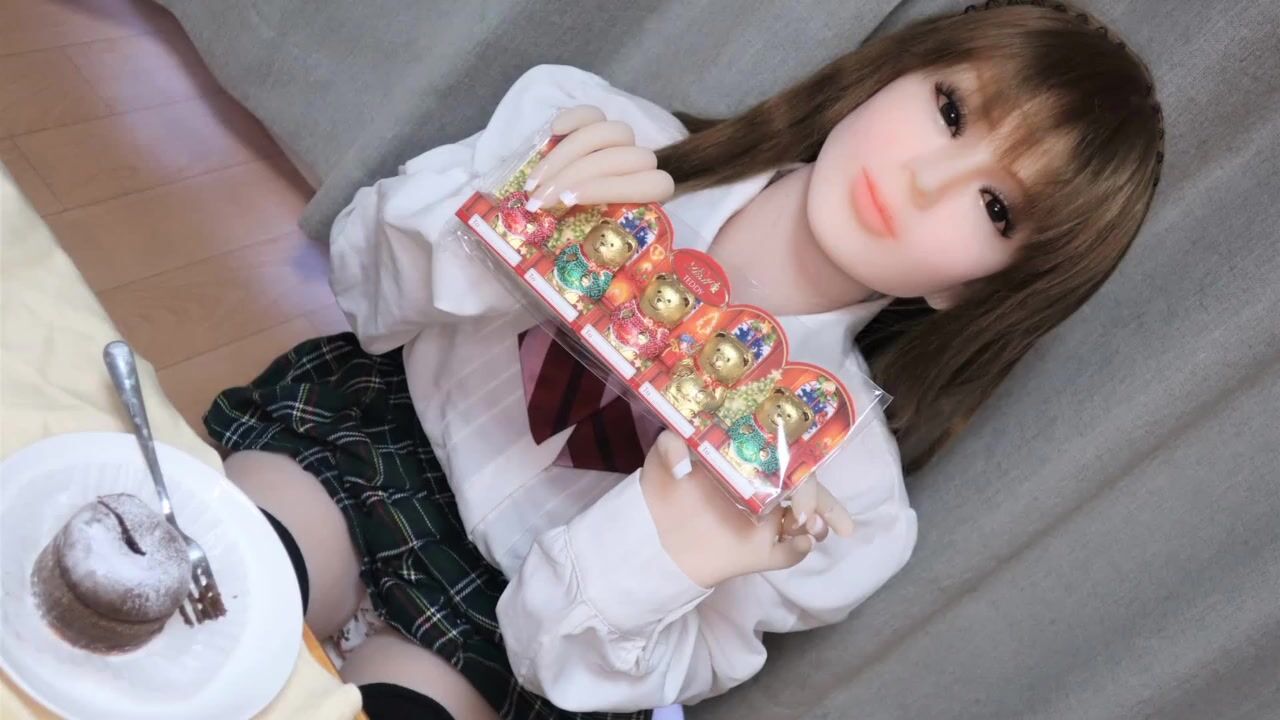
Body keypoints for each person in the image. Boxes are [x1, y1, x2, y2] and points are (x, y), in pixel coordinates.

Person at [206, 2, 1165, 718]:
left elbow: (581, 668)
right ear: (887, 75)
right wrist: (506, 220)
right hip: (373, 445)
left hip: (500, 629)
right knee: (213, 587)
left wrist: (666, 551)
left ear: (977, 288)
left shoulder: (846, 504)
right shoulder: (595, 133)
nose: (924, 180)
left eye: (995, 208)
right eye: (951, 109)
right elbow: (363, 281)